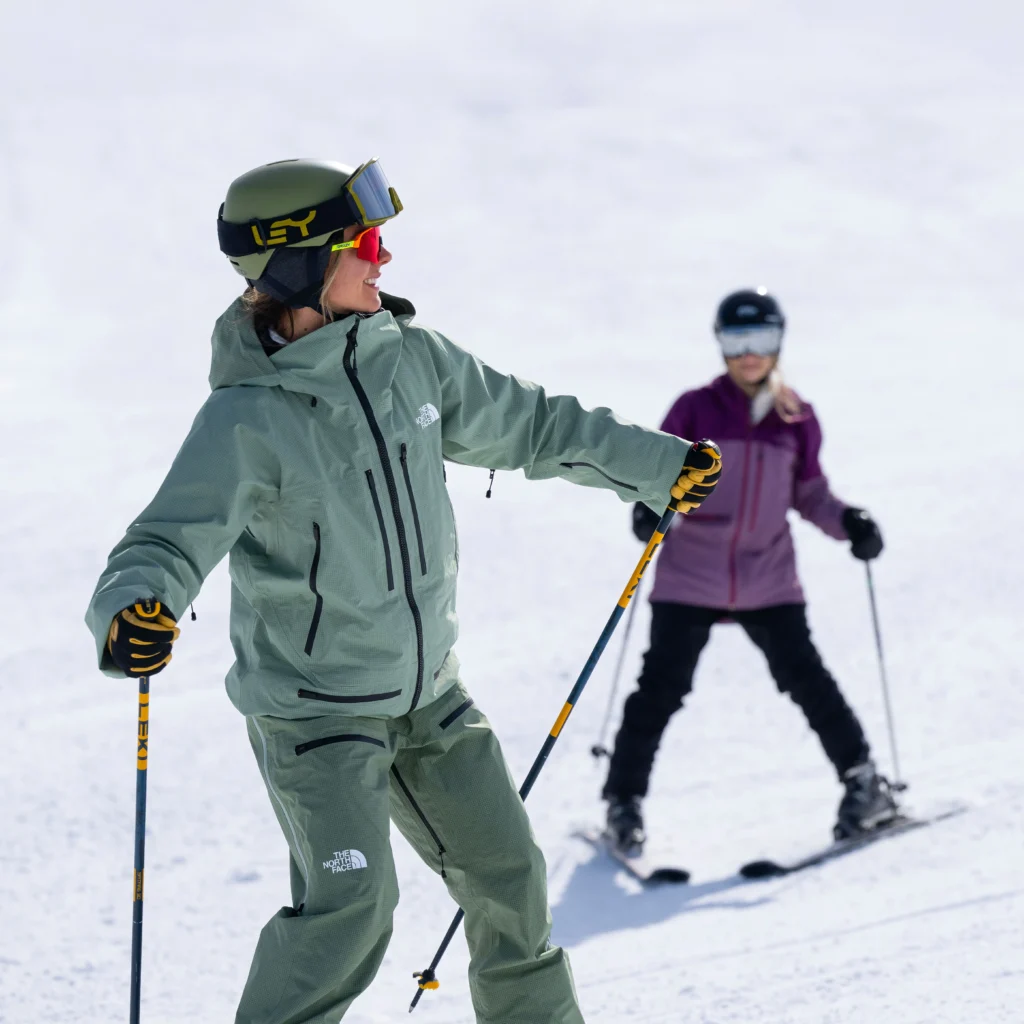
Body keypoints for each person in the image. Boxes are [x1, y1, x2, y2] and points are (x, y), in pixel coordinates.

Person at [84, 156, 723, 1024]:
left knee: (511, 881)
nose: (383, 262)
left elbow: (532, 424)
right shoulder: (247, 420)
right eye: (365, 244)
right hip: (317, 715)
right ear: (301, 265)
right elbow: (164, 540)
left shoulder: (411, 360)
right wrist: (131, 614)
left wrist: (657, 467)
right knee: (349, 915)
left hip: (429, 697)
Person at [601, 287, 897, 854]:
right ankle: (623, 803)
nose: (749, 353)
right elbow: (660, 477)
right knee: (660, 689)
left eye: (760, 339)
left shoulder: (795, 416)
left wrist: (849, 523)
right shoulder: (694, 409)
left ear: (779, 342)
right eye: (737, 340)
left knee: (808, 679)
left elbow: (810, 494)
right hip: (692, 575)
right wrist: (649, 507)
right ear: (720, 344)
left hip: (768, 577)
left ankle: (864, 783)